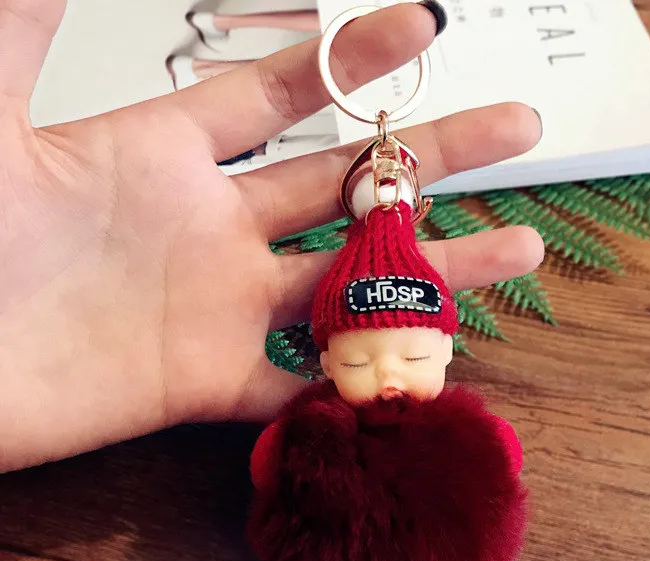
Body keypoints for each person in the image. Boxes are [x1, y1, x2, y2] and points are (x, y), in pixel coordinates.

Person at [0, 0, 544, 475]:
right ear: (326, 367)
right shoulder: (318, 449)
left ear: (447, 351)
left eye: (417, 359)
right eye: (355, 365)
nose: (388, 376)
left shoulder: (454, 449)